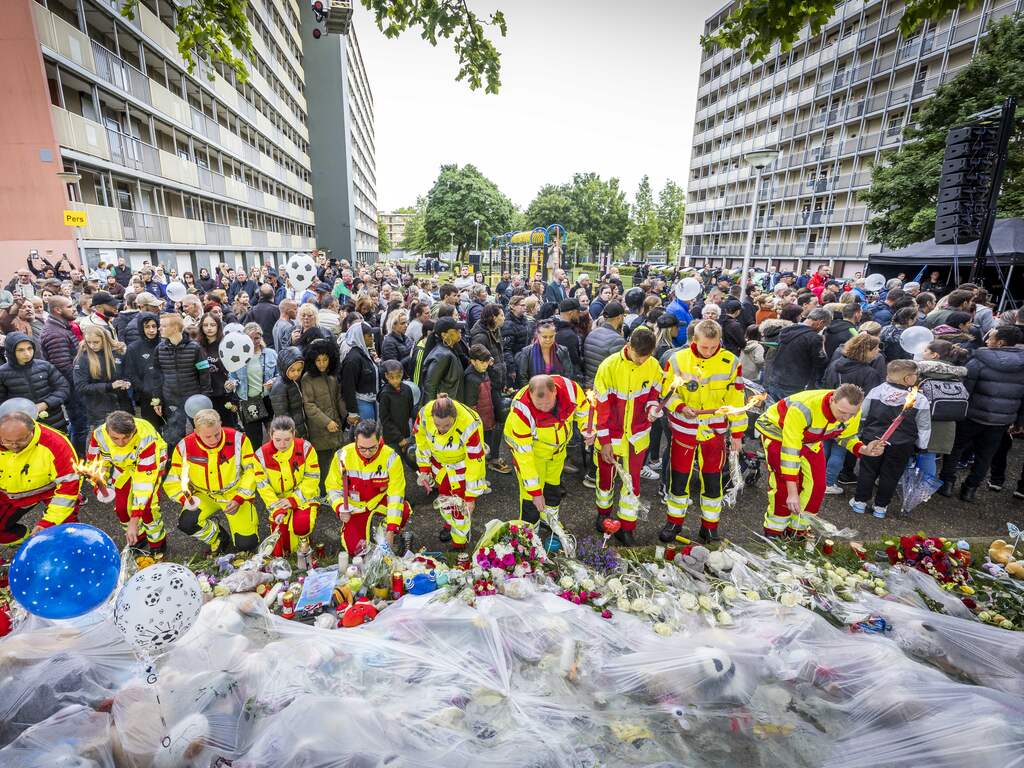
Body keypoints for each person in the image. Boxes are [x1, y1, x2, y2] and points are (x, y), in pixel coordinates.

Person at [756, 385, 884, 537]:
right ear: (831, 400)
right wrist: (792, 492)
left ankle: (798, 529)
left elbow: (846, 437)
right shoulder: (804, 408)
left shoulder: (851, 410)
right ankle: (774, 531)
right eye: (842, 412)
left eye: (851, 414)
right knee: (784, 485)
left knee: (818, 486)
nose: (846, 418)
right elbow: (790, 451)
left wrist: (864, 450)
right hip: (778, 433)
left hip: (810, 439)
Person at [660, 320, 745, 544]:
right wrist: (680, 407)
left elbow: (737, 399)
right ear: (694, 340)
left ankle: (710, 527)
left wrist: (737, 434)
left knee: (713, 480)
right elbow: (667, 392)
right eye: (704, 346)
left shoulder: (731, 362)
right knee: (678, 479)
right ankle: (674, 522)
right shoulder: (677, 359)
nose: (709, 351)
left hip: (714, 432)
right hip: (684, 429)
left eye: (713, 346)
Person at [592, 328, 665, 545]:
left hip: (637, 436)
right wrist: (604, 442)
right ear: (629, 346)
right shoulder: (608, 367)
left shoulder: (653, 365)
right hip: (611, 437)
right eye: (638, 356)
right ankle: (603, 515)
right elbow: (600, 409)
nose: (642, 361)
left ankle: (627, 527)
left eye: (647, 356)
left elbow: (655, 393)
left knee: (632, 483)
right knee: (605, 479)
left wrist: (653, 408)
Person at [939, 325, 1024, 501]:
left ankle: (947, 483)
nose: (986, 340)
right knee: (985, 455)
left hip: (972, 415)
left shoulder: (979, 360)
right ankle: (970, 489)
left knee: (955, 448)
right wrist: (1019, 421)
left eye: (990, 337)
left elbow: (965, 390)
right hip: (1001, 419)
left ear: (1000, 342)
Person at [164, 408, 259, 554]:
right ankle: (218, 537)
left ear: (220, 424)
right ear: (196, 431)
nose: (214, 440)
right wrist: (186, 500)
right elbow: (173, 479)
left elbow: (252, 471)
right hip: (204, 495)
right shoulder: (184, 447)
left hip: (235, 493)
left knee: (247, 545)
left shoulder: (238, 439)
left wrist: (240, 498)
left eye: (217, 433)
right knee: (187, 523)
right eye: (208, 437)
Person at [505, 373, 590, 525]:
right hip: (534, 456)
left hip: (558, 453)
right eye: (539, 405)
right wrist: (535, 492)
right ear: (530, 395)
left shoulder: (571, 389)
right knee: (531, 501)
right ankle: (530, 536)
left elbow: (585, 411)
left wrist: (588, 429)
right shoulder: (521, 412)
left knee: (553, 490)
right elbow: (524, 457)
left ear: (555, 391)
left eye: (547, 403)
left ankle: (551, 522)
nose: (544, 408)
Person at [850, 360, 931, 519]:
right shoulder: (919, 399)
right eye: (916, 375)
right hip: (901, 444)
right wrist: (922, 446)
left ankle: (860, 502)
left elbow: (863, 413)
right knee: (891, 475)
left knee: (867, 471)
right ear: (908, 379)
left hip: (873, 439)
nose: (917, 377)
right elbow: (924, 426)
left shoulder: (876, 391)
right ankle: (881, 507)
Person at [85, 410, 167, 554]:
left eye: (126, 437)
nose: (121, 443)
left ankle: (158, 543)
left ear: (134, 429)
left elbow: (144, 483)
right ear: (107, 429)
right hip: (123, 469)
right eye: (115, 438)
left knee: (147, 509)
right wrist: (99, 485)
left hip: (149, 469)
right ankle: (138, 536)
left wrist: (134, 520)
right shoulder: (99, 434)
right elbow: (96, 462)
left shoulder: (147, 437)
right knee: (122, 509)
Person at [326, 419, 410, 553]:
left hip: (380, 501)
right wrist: (341, 508)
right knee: (356, 551)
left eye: (372, 448)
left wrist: (391, 530)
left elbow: (396, 495)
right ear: (355, 440)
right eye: (362, 448)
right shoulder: (342, 456)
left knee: (403, 510)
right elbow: (332, 488)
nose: (367, 452)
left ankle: (384, 528)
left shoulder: (391, 458)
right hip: (355, 507)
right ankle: (366, 530)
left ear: (380, 439)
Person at [414, 394, 486, 550]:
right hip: (440, 465)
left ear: (455, 417)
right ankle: (449, 525)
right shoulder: (425, 413)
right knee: (444, 496)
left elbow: (475, 461)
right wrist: (424, 469)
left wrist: (471, 497)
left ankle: (459, 544)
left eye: (446, 426)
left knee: (460, 508)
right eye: (437, 425)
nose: (441, 429)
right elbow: (420, 440)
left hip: (462, 467)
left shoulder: (469, 424)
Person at [0, 410, 80, 544]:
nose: (14, 446)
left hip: (51, 491)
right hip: (8, 495)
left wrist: (48, 523)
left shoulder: (57, 444)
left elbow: (68, 487)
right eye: (7, 441)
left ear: (33, 429)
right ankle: (27, 542)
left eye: (21, 440)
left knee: (66, 530)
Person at [255, 415, 320, 561]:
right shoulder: (260, 455)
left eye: (287, 439)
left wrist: (294, 499)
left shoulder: (305, 448)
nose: (282, 444)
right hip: (277, 500)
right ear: (270, 434)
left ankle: (305, 543)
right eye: (277, 440)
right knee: (281, 547)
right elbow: (263, 487)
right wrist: (276, 508)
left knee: (301, 526)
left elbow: (312, 477)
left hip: (303, 496)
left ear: (294, 434)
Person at [152, 313, 211, 447]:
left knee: (202, 431)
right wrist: (157, 399)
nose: (159, 329)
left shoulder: (195, 348)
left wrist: (204, 398)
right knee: (173, 436)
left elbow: (204, 374)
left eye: (164, 326)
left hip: (194, 399)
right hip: (170, 399)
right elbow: (156, 377)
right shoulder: (159, 349)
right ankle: (176, 462)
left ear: (176, 328)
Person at [916, 340, 970, 481]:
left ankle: (902, 483)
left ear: (934, 355)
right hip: (945, 421)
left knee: (905, 454)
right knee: (929, 455)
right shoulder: (957, 374)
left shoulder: (920, 371)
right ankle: (925, 489)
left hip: (919, 419)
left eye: (926, 351)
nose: (923, 353)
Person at [300, 339, 347, 494]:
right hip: (319, 429)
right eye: (318, 360)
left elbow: (338, 398)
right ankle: (322, 492)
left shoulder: (332, 376)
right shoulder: (307, 378)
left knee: (336, 459)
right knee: (322, 462)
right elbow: (309, 405)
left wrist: (346, 416)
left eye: (325, 360)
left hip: (336, 425)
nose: (322, 364)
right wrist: (327, 422)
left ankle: (334, 490)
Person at [0, 332, 69, 433]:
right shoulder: (2, 373)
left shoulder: (45, 366)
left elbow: (63, 388)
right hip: (24, 427)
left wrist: (45, 404)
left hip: (54, 422)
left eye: (29, 348)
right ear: (11, 351)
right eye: (20, 350)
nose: (27, 353)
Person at [73, 327, 133, 430]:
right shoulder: (83, 358)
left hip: (123, 405)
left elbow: (128, 373)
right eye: (89, 342)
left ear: (104, 339)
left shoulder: (118, 352)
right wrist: (109, 386)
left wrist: (127, 382)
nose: (92, 346)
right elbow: (81, 387)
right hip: (99, 410)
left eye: (96, 342)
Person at [765, 307, 830, 400]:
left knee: (772, 410)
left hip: (775, 378)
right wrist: (823, 345)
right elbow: (820, 362)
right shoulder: (814, 338)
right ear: (820, 322)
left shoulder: (787, 329)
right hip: (794, 384)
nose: (821, 329)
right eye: (823, 326)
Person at [464, 343, 509, 474]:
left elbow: (495, 383)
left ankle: (488, 465)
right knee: (479, 450)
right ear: (472, 361)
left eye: (486, 362)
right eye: (482, 362)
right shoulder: (471, 378)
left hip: (488, 415)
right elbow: (470, 404)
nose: (485, 365)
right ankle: (478, 476)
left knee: (487, 446)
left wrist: (491, 366)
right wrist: (476, 424)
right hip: (480, 421)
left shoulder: (483, 372)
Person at [229, 323, 277, 447]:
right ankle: (257, 463)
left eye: (257, 338)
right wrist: (231, 384)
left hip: (268, 399)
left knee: (275, 436)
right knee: (254, 440)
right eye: (250, 338)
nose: (254, 341)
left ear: (261, 338)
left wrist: (274, 380)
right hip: (248, 401)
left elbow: (280, 374)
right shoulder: (237, 357)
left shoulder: (271, 353)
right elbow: (232, 377)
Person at [123, 312, 162, 429]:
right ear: (141, 328)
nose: (151, 330)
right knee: (152, 428)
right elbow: (130, 373)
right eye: (147, 327)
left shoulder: (164, 344)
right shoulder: (134, 348)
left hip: (166, 394)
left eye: (154, 326)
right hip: (147, 397)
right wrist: (144, 389)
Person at [340, 322, 380, 422]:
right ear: (360, 337)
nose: (372, 338)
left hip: (370, 401)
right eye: (369, 336)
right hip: (361, 403)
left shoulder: (364, 353)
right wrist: (352, 412)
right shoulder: (353, 359)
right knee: (366, 435)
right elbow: (348, 387)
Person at [378, 359, 415, 464]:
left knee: (405, 461)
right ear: (386, 376)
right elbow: (385, 420)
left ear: (402, 374)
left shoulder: (407, 389)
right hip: (391, 437)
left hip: (405, 433)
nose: (395, 381)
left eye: (398, 377)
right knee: (393, 462)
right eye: (391, 378)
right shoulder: (385, 394)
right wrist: (399, 439)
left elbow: (410, 411)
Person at [422, 317, 465, 403]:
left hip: (452, 405)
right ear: (444, 334)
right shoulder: (442, 355)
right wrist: (431, 411)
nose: (459, 331)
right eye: (456, 330)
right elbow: (430, 386)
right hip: (444, 409)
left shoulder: (450, 350)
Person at [269, 346, 307, 438]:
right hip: (292, 431)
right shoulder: (279, 387)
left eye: (299, 370)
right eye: (292, 370)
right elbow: (282, 415)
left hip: (300, 425)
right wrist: (293, 432)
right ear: (284, 368)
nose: (296, 373)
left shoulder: (293, 381)